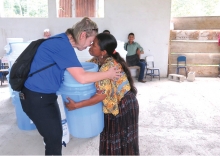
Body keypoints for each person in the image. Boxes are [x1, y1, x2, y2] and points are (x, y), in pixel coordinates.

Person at [20, 17, 121, 155]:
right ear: (83, 35)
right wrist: (108, 74)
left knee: (55, 136)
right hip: (36, 98)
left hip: (44, 96)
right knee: (54, 140)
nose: (88, 46)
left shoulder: (61, 40)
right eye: (90, 42)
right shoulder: (63, 47)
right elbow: (82, 78)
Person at [65, 33, 139, 155]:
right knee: (112, 140)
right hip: (116, 103)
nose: (90, 45)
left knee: (121, 141)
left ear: (103, 51)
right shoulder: (96, 60)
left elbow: (101, 96)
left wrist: (76, 105)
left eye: (94, 44)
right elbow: (82, 70)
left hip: (123, 106)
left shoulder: (108, 67)